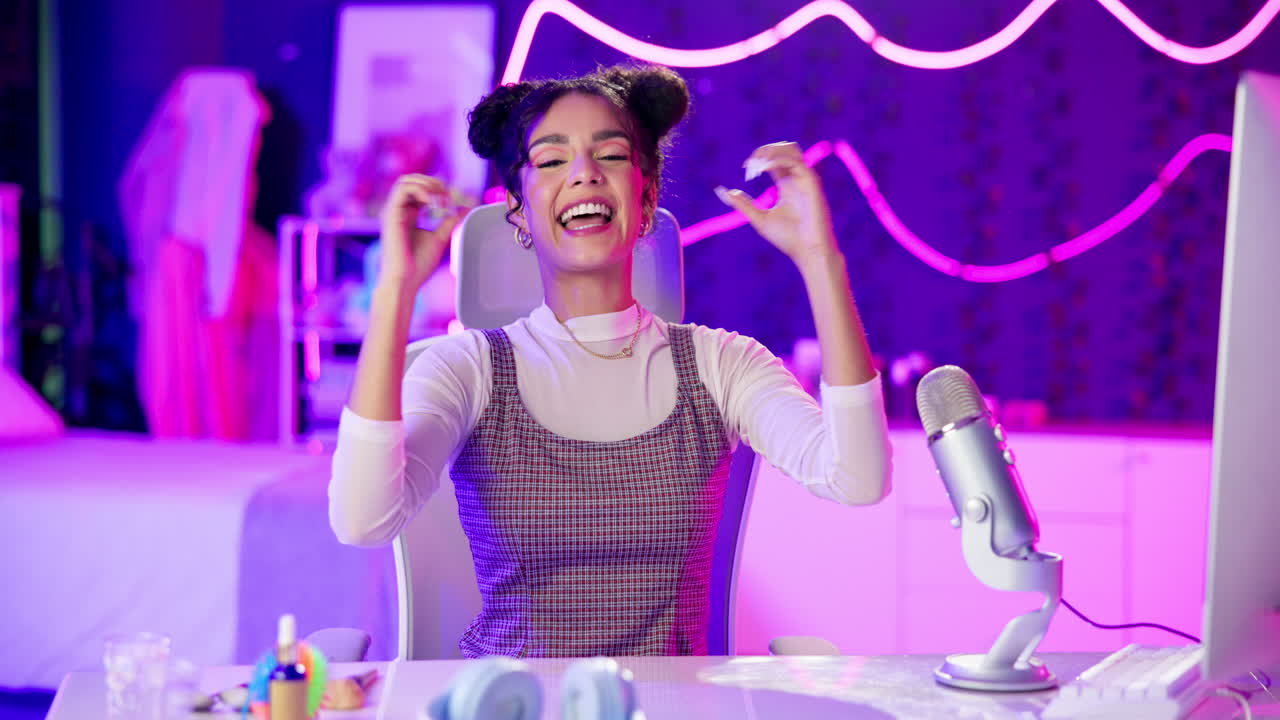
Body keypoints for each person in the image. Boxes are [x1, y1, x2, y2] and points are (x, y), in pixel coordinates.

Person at [329, 64, 892, 658]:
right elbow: (362, 520)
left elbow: (857, 478)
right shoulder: (465, 367)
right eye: (550, 161)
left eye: (612, 155)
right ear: (518, 211)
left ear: (645, 197)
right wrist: (395, 287)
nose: (583, 173)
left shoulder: (721, 363)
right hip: (514, 703)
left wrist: (820, 262)